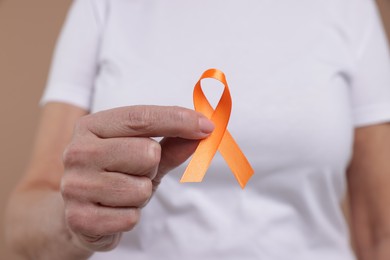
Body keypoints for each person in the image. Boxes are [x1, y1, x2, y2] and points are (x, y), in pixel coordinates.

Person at [5, 0, 390, 259]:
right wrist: (74, 223)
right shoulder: (106, 6)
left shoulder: (349, 9)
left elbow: (380, 233)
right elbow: (19, 230)